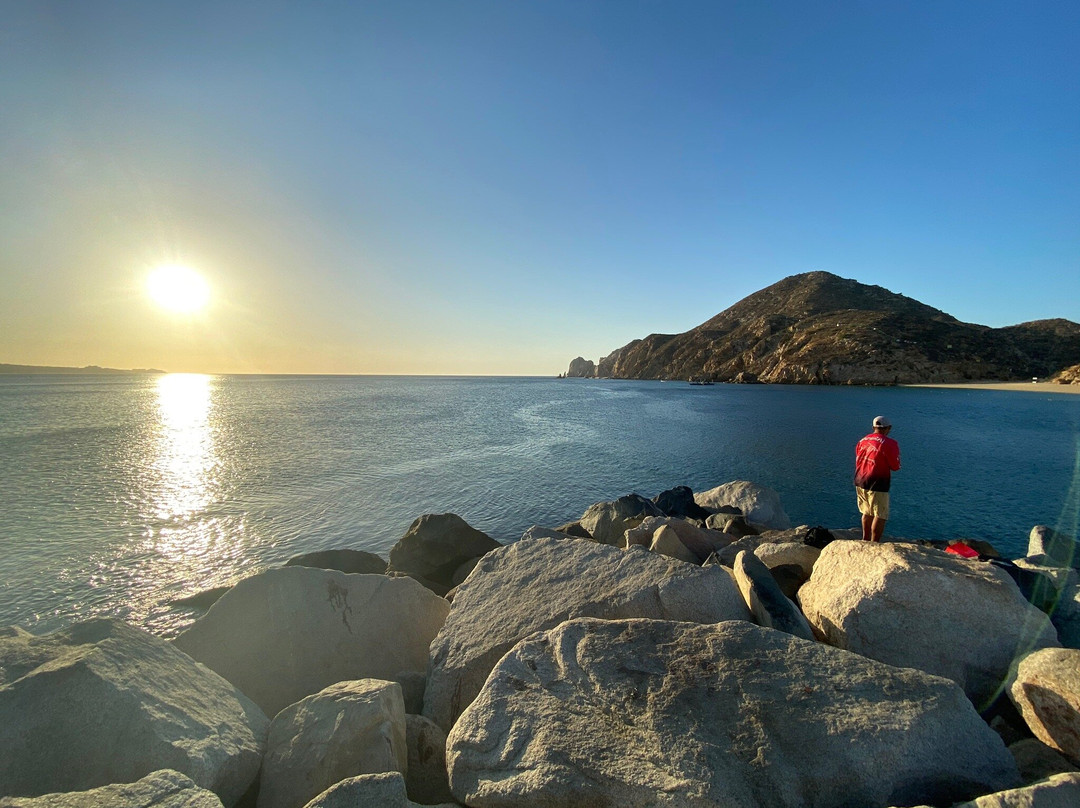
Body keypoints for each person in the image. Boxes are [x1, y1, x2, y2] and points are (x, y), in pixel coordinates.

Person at [854, 415, 901, 542]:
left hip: (860, 479)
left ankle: (865, 539)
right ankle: (874, 543)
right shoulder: (890, 443)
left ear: (873, 427)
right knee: (880, 514)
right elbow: (895, 466)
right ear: (888, 428)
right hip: (878, 481)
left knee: (866, 511)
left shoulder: (862, 441)